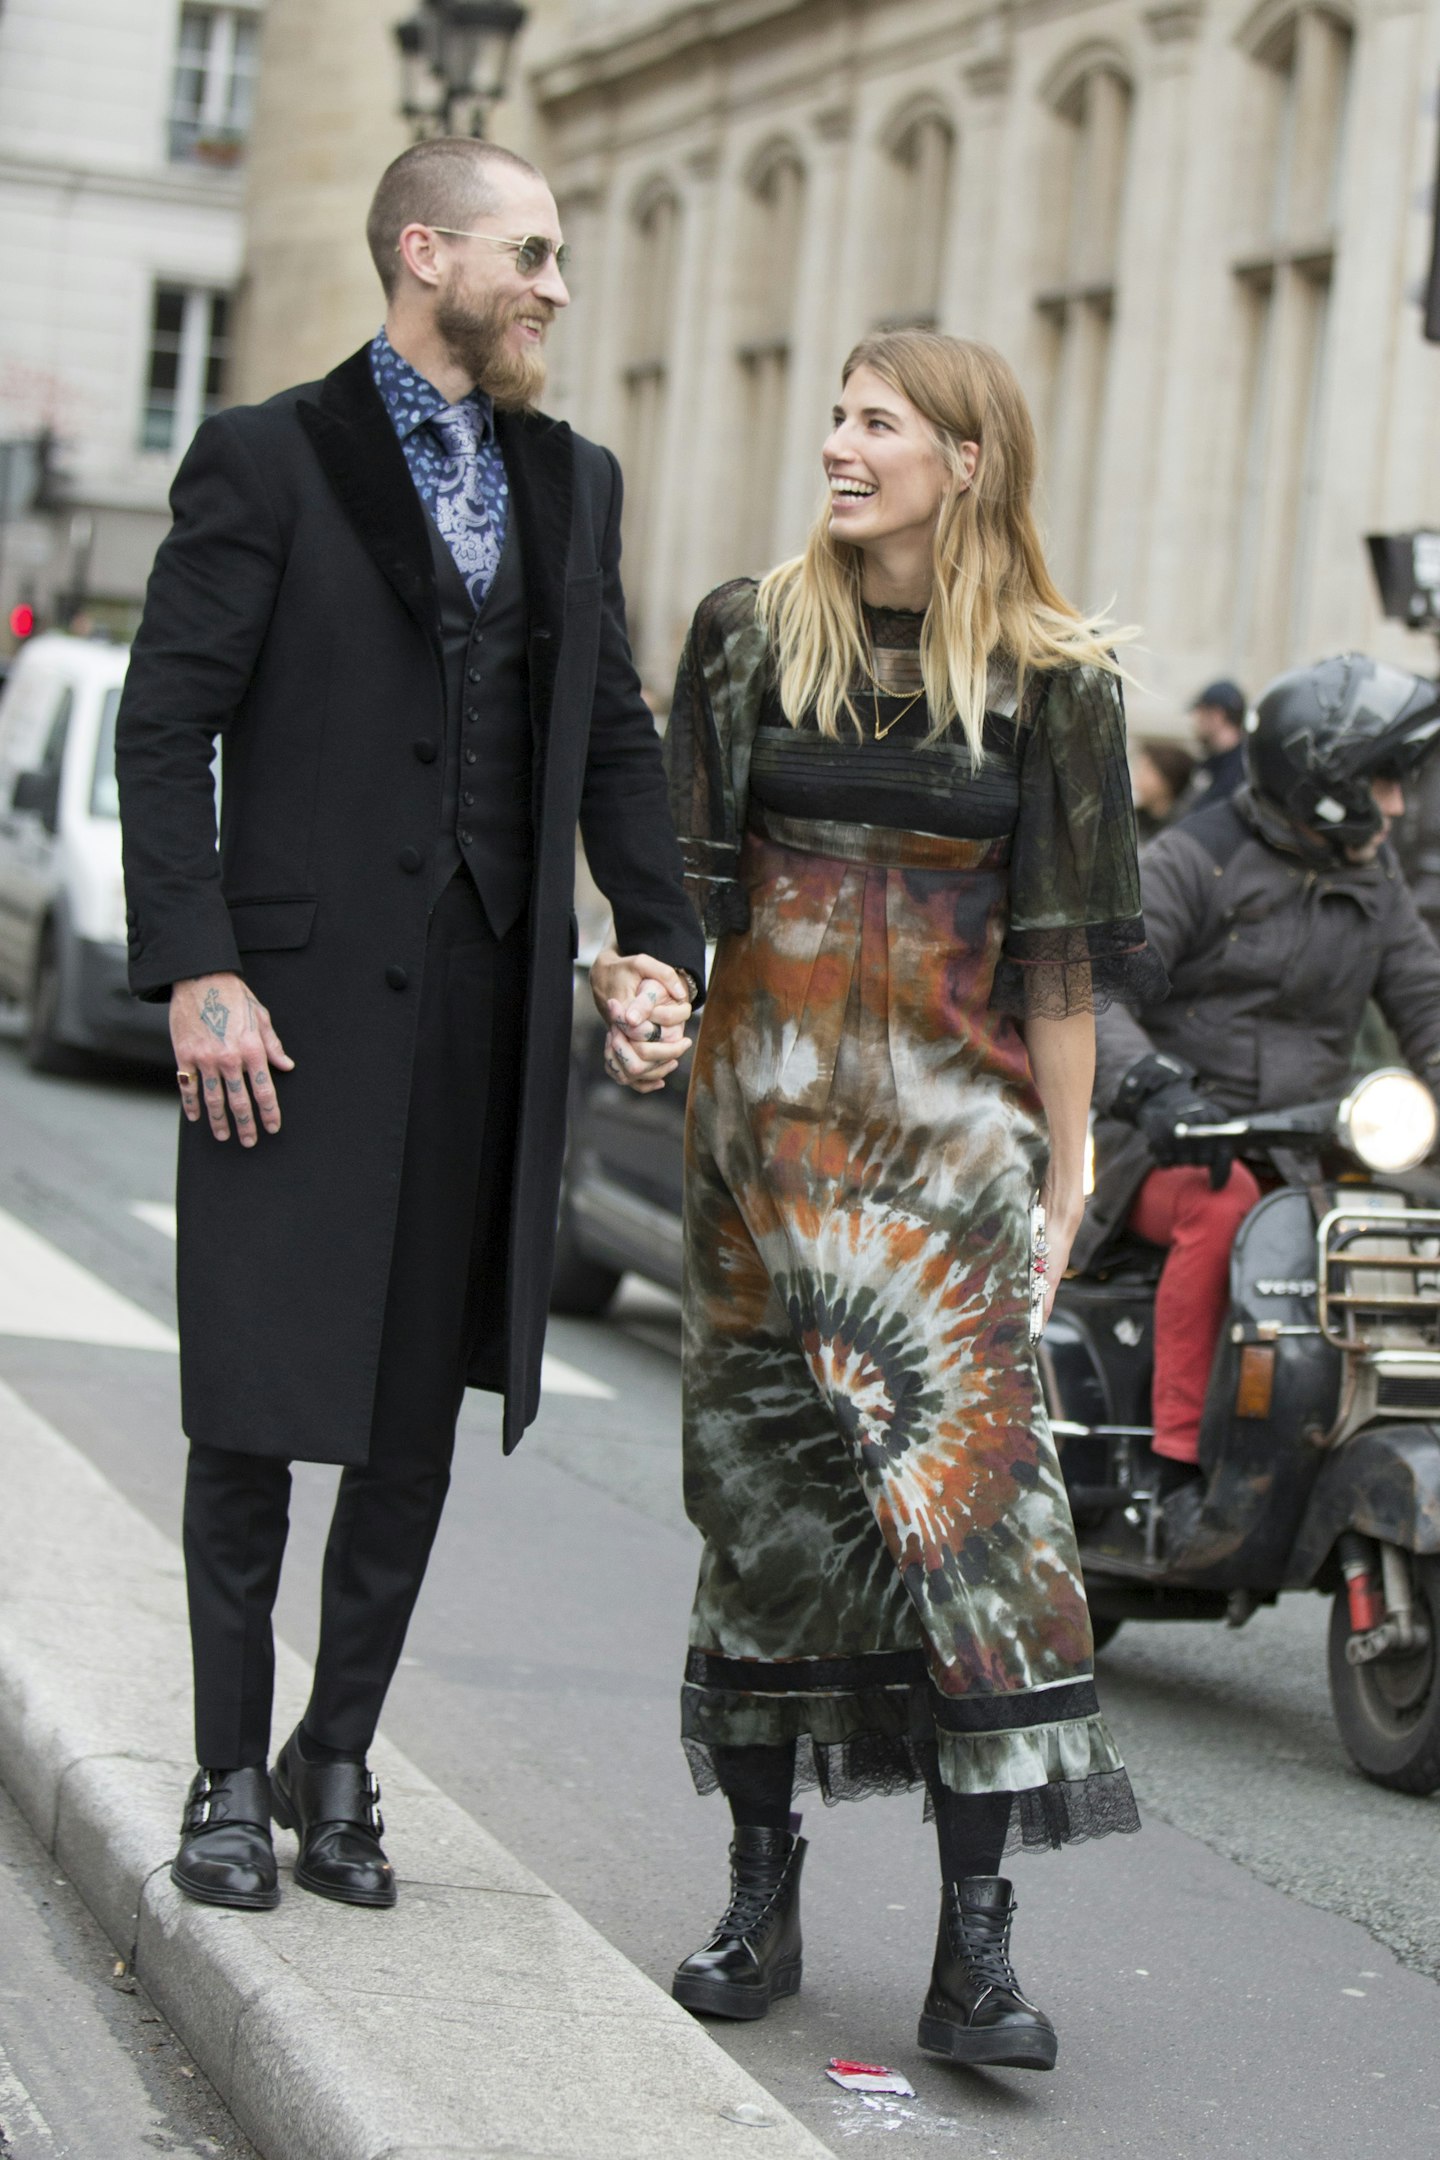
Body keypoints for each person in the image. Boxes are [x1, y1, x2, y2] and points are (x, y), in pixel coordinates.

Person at [116, 137, 704, 1916]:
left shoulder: (572, 480)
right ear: (422, 251)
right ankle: (227, 1771)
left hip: (486, 1009)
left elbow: (609, 729)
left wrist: (660, 936)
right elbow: (165, 724)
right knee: (251, 1406)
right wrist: (198, 964)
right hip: (277, 1019)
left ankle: (338, 1759)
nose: (551, 287)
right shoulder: (267, 459)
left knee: (412, 1419)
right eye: (527, 254)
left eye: (556, 260)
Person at [654, 330, 1161, 2071]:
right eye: (839, 416)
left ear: (966, 455)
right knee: (775, 1527)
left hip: (955, 1176)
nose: (839, 445)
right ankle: (756, 1889)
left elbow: (1065, 960)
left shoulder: (1055, 681)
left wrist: (1073, 1167)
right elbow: (689, 892)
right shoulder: (747, 637)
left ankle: (974, 1956)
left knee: (981, 1549)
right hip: (761, 1165)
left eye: (877, 423)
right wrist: (639, 990)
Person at [1076, 654, 1440, 1488]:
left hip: (1307, 1146)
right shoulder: (1190, 860)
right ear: (1324, 781)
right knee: (1225, 1204)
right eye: (1380, 782)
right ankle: (1177, 1460)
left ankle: (1359, 1423)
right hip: (1165, 1146)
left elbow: (1425, 1000)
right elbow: (1091, 987)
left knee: (1404, 1222)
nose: (1396, 804)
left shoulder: (1371, 880)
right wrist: (1153, 1087)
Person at [1176, 678, 1247, 815]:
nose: (1196, 722)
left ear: (1216, 716)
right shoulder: (1211, 764)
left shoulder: (1243, 768)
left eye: (1200, 714)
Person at [1132, 739, 1196, 842]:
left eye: (1145, 770)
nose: (1137, 779)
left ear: (1167, 778)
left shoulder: (1185, 827)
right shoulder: (1135, 820)